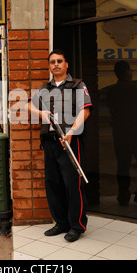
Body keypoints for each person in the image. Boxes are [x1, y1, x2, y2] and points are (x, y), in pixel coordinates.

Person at [28, 49, 92, 242]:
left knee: (73, 184)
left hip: (69, 141)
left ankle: (77, 226)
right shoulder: (44, 88)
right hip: (50, 142)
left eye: (59, 61)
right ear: (49, 66)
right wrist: (42, 114)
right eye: (52, 62)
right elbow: (27, 105)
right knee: (53, 183)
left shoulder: (78, 85)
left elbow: (85, 111)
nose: (56, 64)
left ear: (66, 64)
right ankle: (61, 222)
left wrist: (72, 130)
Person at [106, 60, 137, 205]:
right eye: (130, 71)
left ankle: (123, 195)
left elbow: (112, 112)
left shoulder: (111, 91)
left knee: (123, 166)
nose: (132, 73)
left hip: (120, 134)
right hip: (136, 134)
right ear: (126, 73)